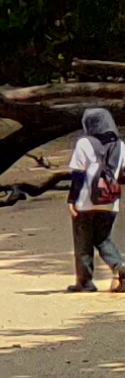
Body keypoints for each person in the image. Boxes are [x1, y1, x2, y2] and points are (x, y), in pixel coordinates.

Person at [73, 105, 125, 291]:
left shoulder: (84, 143)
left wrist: (72, 201)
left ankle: (85, 282)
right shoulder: (120, 145)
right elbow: (121, 175)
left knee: (83, 242)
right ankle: (119, 268)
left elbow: (78, 176)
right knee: (103, 239)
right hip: (110, 200)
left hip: (85, 201)